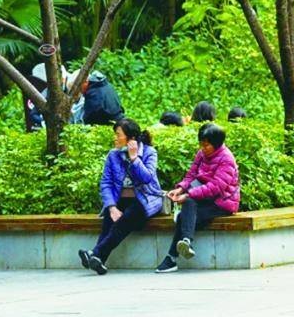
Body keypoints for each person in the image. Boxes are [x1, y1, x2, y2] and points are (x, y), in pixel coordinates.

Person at [79, 119, 163, 275]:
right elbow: (106, 183)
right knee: (111, 218)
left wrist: (134, 158)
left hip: (146, 199)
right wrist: (111, 207)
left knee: (126, 218)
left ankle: (96, 254)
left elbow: (147, 178)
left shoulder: (149, 152)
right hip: (121, 200)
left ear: (131, 138)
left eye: (118, 135)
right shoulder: (113, 155)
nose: (115, 138)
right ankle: (98, 258)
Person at [155, 124, 240, 273]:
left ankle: (172, 257)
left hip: (221, 202)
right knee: (187, 207)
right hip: (204, 199)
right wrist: (180, 188)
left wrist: (188, 194)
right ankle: (184, 244)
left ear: (217, 143)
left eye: (206, 145)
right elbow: (192, 175)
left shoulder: (227, 159)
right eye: (201, 144)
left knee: (183, 216)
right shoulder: (201, 154)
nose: (203, 147)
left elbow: (216, 187)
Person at [24, 62, 83, 130]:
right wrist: (45, 123)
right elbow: (33, 114)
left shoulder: (72, 88)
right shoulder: (48, 91)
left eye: (63, 80)